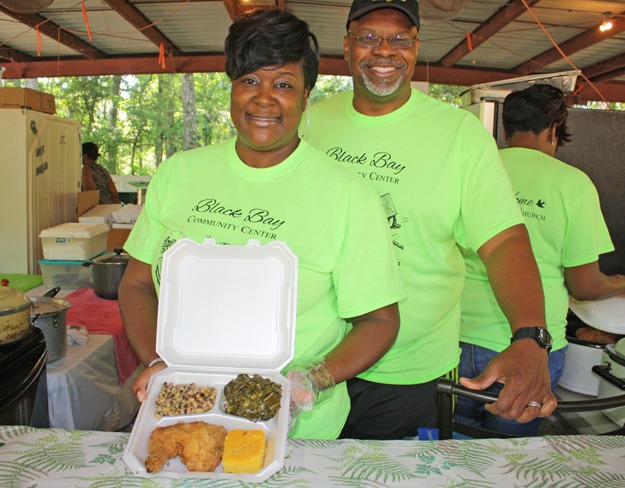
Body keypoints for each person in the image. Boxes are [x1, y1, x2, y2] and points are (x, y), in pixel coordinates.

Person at [118, 8, 403, 440]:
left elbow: (379, 321)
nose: (264, 98)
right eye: (250, 80)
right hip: (186, 410)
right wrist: (156, 359)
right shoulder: (179, 174)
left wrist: (312, 378)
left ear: (306, 97)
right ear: (231, 89)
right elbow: (137, 283)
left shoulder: (347, 194)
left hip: (299, 429)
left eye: (284, 84)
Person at [306, 0, 555, 440]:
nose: (384, 50)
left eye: (399, 38)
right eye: (368, 36)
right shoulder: (310, 122)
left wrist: (531, 336)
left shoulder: (458, 134)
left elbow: (504, 242)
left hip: (407, 371)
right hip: (308, 356)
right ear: (346, 45)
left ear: (416, 47)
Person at [455, 84, 625, 436]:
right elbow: (586, 285)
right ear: (553, 131)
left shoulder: (474, 172)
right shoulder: (573, 185)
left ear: (505, 129)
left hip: (456, 337)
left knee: (453, 444)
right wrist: (620, 283)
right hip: (531, 346)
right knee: (510, 458)